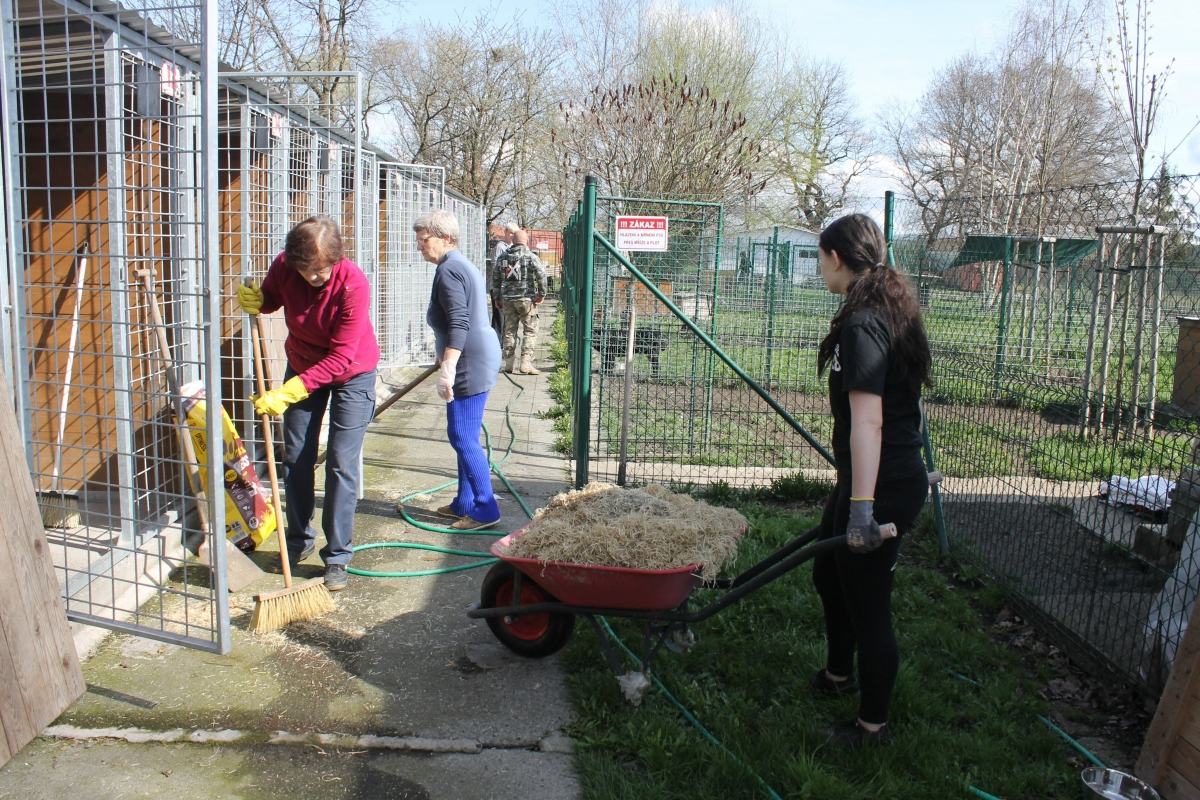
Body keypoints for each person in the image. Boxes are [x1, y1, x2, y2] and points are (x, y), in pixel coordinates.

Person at [810, 214, 932, 749]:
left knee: (869, 601)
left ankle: (872, 728)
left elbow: (870, 420)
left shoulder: (864, 322)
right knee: (827, 573)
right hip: (868, 476)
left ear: (836, 258)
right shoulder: (882, 307)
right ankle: (840, 675)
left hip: (879, 484)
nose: (819, 268)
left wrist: (863, 506)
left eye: (819, 258)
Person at [236, 215, 379, 592]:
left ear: (337, 259)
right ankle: (298, 539)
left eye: (319, 272)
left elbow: (340, 358)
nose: (311, 279)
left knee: (341, 463)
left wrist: (286, 393)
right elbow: (272, 297)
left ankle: (337, 557)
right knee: (296, 455)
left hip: (352, 372)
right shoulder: (287, 265)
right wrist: (259, 300)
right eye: (305, 271)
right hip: (302, 362)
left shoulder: (353, 284)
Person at [418, 209, 503, 531]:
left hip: (470, 360)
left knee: (462, 434)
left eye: (424, 239)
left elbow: (459, 321)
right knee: (463, 433)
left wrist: (449, 364)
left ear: (444, 238)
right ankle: (464, 502)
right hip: (476, 354)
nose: (419, 245)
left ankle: (486, 507)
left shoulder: (449, 271)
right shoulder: (459, 264)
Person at [491, 229, 548, 375]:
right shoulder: (530, 256)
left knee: (509, 330)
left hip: (508, 300)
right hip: (526, 299)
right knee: (530, 330)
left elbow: (495, 278)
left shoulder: (503, 257)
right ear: (526, 240)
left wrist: (497, 297)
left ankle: (509, 361)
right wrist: (541, 294)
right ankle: (526, 362)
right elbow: (541, 275)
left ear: (513, 240)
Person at [487, 223, 518, 341]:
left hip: (509, 288)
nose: (512, 236)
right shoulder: (500, 247)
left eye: (514, 234)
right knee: (499, 317)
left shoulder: (514, 247)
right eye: (510, 233)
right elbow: (496, 267)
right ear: (505, 232)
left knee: (507, 317)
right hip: (499, 287)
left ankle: (504, 340)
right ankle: (496, 341)